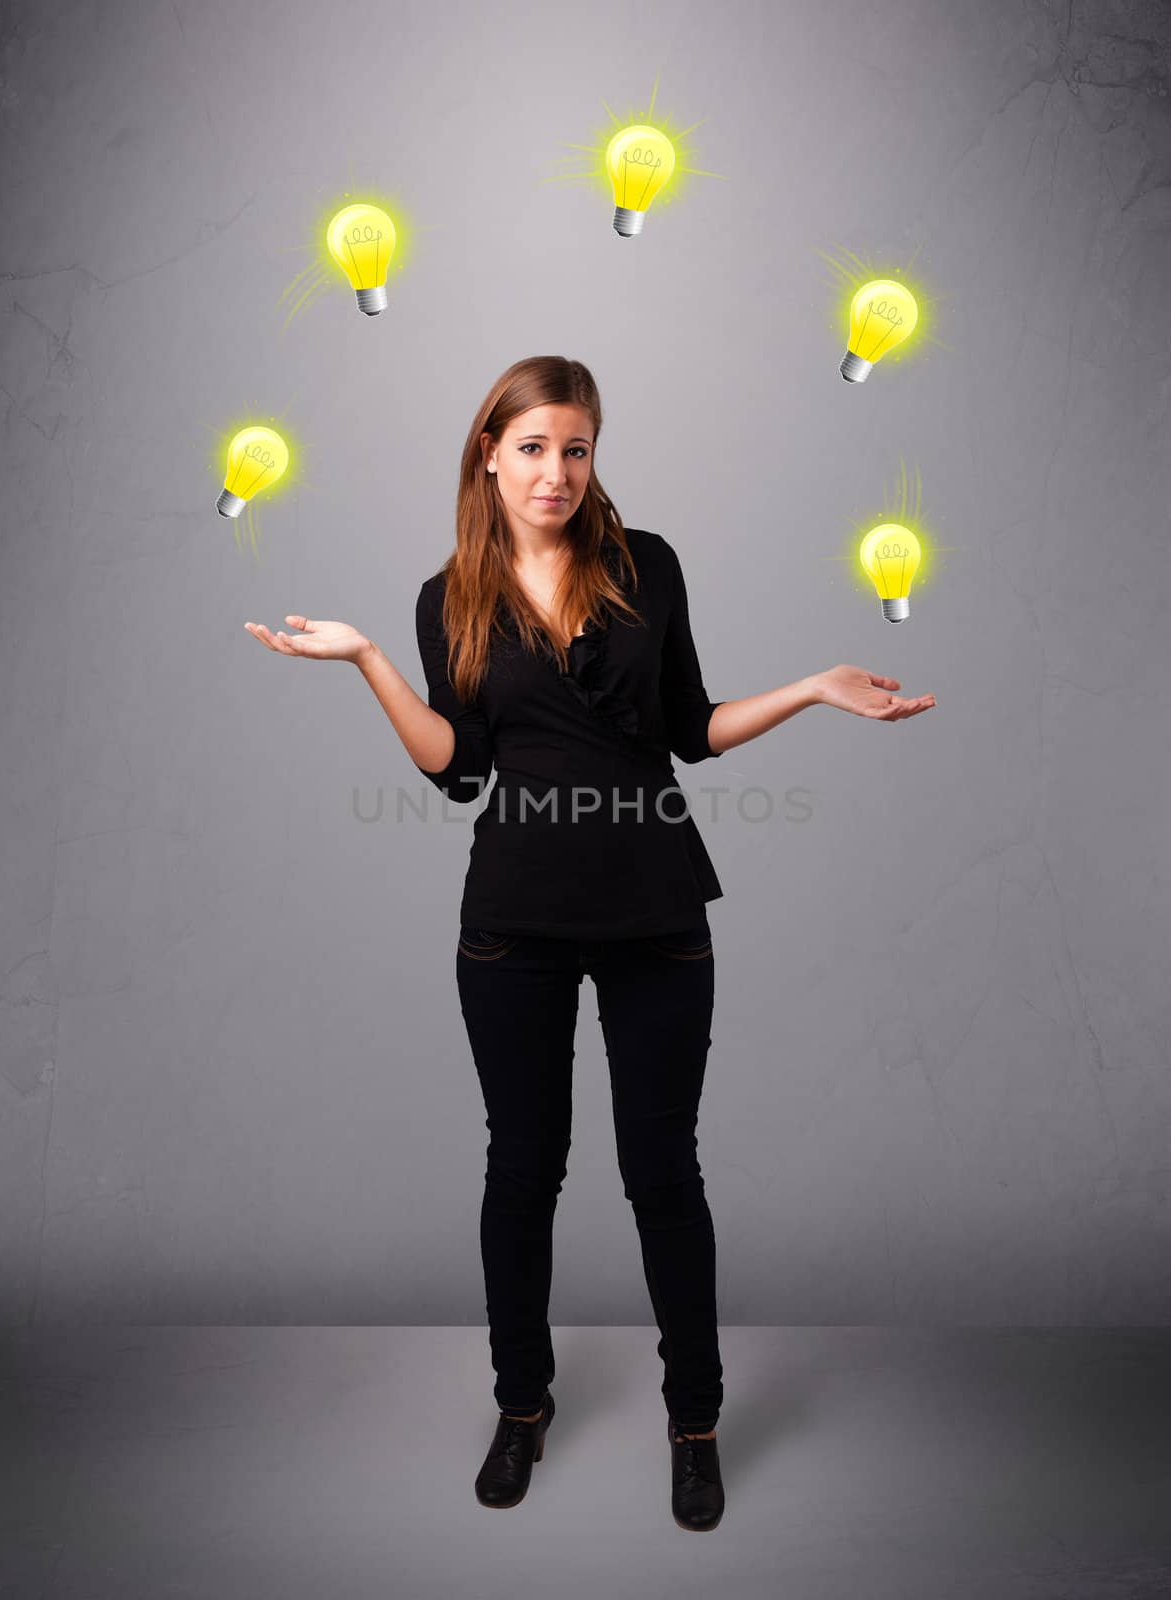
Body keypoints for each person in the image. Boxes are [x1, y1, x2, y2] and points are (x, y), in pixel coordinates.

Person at [243, 354, 936, 1532]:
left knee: (663, 1174)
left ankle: (695, 1424)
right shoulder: (446, 595)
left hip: (655, 909)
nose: (554, 472)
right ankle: (521, 1410)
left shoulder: (643, 564)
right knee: (523, 1170)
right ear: (488, 456)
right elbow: (457, 771)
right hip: (512, 921)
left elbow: (687, 728)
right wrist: (364, 660)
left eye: (574, 448)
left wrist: (817, 687)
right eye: (530, 449)